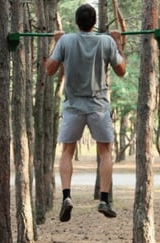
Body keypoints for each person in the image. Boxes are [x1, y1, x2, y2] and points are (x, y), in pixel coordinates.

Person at [45, 3, 126, 222]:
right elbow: (121, 71)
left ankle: (66, 196)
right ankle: (104, 198)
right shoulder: (106, 41)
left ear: (76, 22)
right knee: (105, 152)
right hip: (98, 105)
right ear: (94, 23)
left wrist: (56, 43)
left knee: (67, 152)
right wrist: (118, 42)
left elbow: (49, 69)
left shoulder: (66, 41)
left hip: (73, 106)